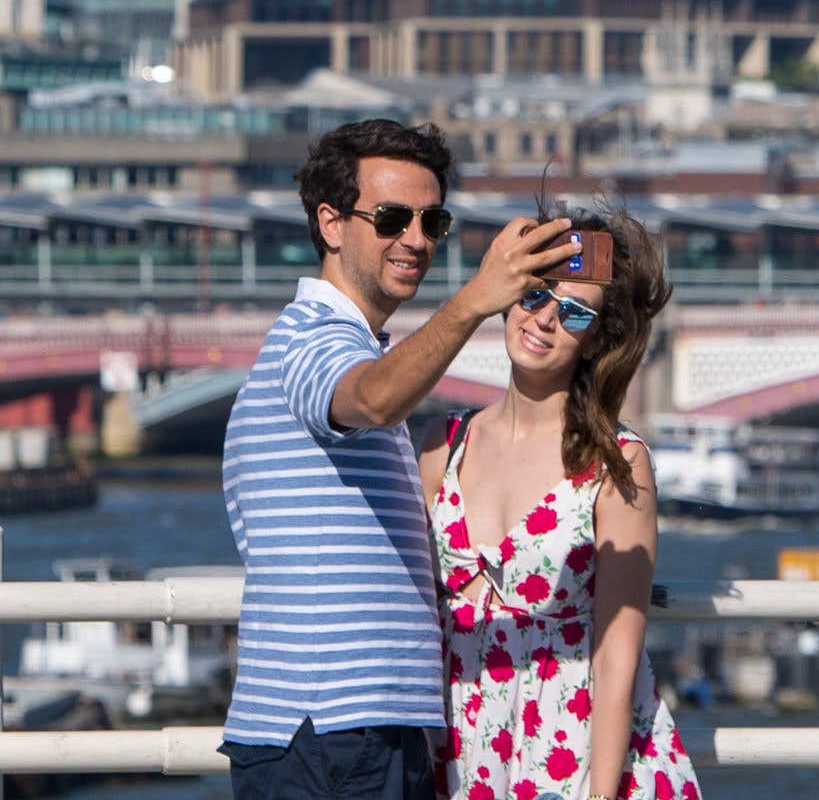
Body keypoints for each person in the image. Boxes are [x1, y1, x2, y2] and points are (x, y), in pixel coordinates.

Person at [223, 116, 574, 800]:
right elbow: (371, 399)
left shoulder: (354, 344)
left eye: (430, 219)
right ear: (330, 223)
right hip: (334, 729)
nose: (414, 238)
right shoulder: (314, 339)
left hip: (354, 728)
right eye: (390, 217)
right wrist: (474, 299)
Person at [421, 206, 703, 800]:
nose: (544, 319)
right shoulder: (440, 449)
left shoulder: (617, 465)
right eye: (535, 295)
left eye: (573, 312)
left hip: (570, 757)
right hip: (461, 754)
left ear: (596, 338)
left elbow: (616, 657)